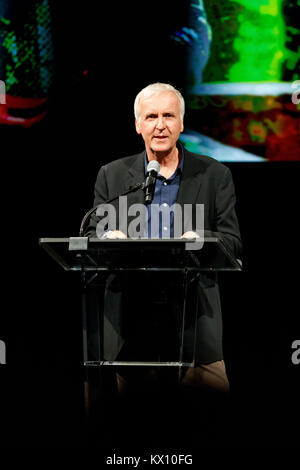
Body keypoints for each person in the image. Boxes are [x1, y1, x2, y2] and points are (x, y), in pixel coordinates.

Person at [85, 82, 242, 397]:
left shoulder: (214, 176)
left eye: (169, 116)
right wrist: (107, 238)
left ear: (181, 124)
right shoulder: (112, 176)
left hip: (195, 327)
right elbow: (91, 238)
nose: (160, 125)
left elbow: (232, 243)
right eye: (151, 116)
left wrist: (202, 239)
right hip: (131, 328)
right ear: (138, 124)